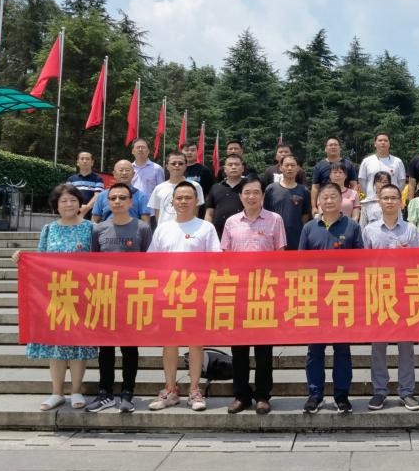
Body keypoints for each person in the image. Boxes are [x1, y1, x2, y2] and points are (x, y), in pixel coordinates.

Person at [13, 184, 98, 410]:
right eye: (63, 201)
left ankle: (76, 391)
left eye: (73, 200)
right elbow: (40, 260)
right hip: (55, 295)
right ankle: (57, 392)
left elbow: (99, 262)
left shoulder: (91, 228)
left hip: (82, 295)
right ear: (56, 205)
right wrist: (22, 259)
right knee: (56, 346)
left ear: (80, 203)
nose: (69, 204)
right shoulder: (49, 229)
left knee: (79, 345)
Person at [147, 183, 222, 412]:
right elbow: (152, 261)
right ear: (172, 201)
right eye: (179, 198)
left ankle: (194, 390)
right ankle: (170, 389)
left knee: (195, 343)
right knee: (169, 343)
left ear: (196, 200)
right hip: (168, 294)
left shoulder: (206, 228)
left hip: (196, 294)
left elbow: (215, 261)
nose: (183, 201)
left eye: (188, 197)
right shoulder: (163, 228)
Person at [220, 175, 286, 414]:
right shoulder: (231, 222)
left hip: (265, 292)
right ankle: (241, 395)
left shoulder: (275, 220)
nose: (251, 197)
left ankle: (263, 395)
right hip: (238, 292)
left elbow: (280, 255)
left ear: (263, 196)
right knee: (238, 349)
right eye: (246, 192)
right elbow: (224, 256)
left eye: (256, 192)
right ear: (240, 196)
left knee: (264, 350)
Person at [86, 181, 152, 412]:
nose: (117, 202)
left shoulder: (142, 228)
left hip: (132, 297)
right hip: (105, 296)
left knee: (129, 348)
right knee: (105, 348)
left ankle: (127, 392)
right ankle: (105, 392)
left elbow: (150, 263)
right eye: (113, 198)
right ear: (107, 202)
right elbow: (92, 262)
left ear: (131, 202)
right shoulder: (98, 229)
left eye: (122, 198)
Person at [298, 182, 364, 413]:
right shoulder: (309, 228)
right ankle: (315, 395)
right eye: (324, 197)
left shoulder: (352, 227)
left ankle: (341, 395)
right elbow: (300, 264)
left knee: (342, 350)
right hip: (315, 298)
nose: (328, 201)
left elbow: (360, 263)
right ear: (318, 201)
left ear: (341, 200)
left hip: (342, 297)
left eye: (333, 197)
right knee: (314, 350)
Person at [362, 182, 419, 411]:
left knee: (406, 346)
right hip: (379, 293)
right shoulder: (369, 230)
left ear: (401, 202)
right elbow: (363, 265)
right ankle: (380, 391)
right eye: (385, 198)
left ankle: (406, 391)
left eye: (393, 198)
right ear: (378, 201)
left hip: (405, 293)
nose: (389, 201)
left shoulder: (410, 230)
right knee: (378, 346)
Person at [263, 152, 312, 248]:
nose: (290, 168)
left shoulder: (304, 190)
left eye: (293, 165)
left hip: (296, 237)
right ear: (281, 168)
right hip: (274, 237)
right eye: (287, 165)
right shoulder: (271, 189)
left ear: (298, 168)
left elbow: (305, 215)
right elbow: (266, 212)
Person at [148, 151, 204, 225]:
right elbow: (158, 213)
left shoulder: (195, 186)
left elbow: (195, 211)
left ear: (185, 166)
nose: (177, 165)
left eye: (180, 163)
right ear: (167, 166)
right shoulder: (158, 188)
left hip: (188, 229)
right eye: (173, 163)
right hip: (166, 230)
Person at [204, 152, 248, 241]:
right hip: (218, 236)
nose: (233, 167)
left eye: (236, 164)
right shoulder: (215, 188)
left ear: (242, 168)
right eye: (230, 165)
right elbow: (209, 214)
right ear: (225, 169)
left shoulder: (249, 187)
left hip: (245, 235)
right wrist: (207, 233)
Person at [309, 137, 359, 213]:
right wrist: (313, 207)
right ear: (325, 149)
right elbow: (315, 187)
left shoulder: (348, 164)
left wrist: (353, 202)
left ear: (340, 148)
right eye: (330, 145)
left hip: (344, 201)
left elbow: (353, 184)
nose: (333, 147)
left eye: (335, 145)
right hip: (326, 201)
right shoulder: (319, 166)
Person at [356, 132, 407, 199]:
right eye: (380, 140)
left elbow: (401, 182)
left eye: (385, 140)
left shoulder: (397, 161)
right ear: (375, 144)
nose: (383, 142)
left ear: (389, 144)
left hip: (391, 201)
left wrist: (394, 195)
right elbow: (362, 181)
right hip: (371, 200)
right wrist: (370, 194)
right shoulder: (366, 161)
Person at [66, 151, 104, 219]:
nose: (85, 161)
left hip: (92, 215)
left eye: (87, 159)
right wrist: (78, 207)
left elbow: (98, 196)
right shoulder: (71, 179)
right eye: (82, 159)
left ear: (92, 163)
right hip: (74, 213)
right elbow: (68, 196)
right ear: (77, 162)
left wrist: (86, 208)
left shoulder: (98, 179)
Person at [182, 139, 216, 205]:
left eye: (193, 150)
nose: (189, 152)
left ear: (197, 152)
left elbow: (210, 192)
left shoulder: (205, 171)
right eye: (186, 150)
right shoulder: (177, 169)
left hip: (199, 206)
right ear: (181, 152)